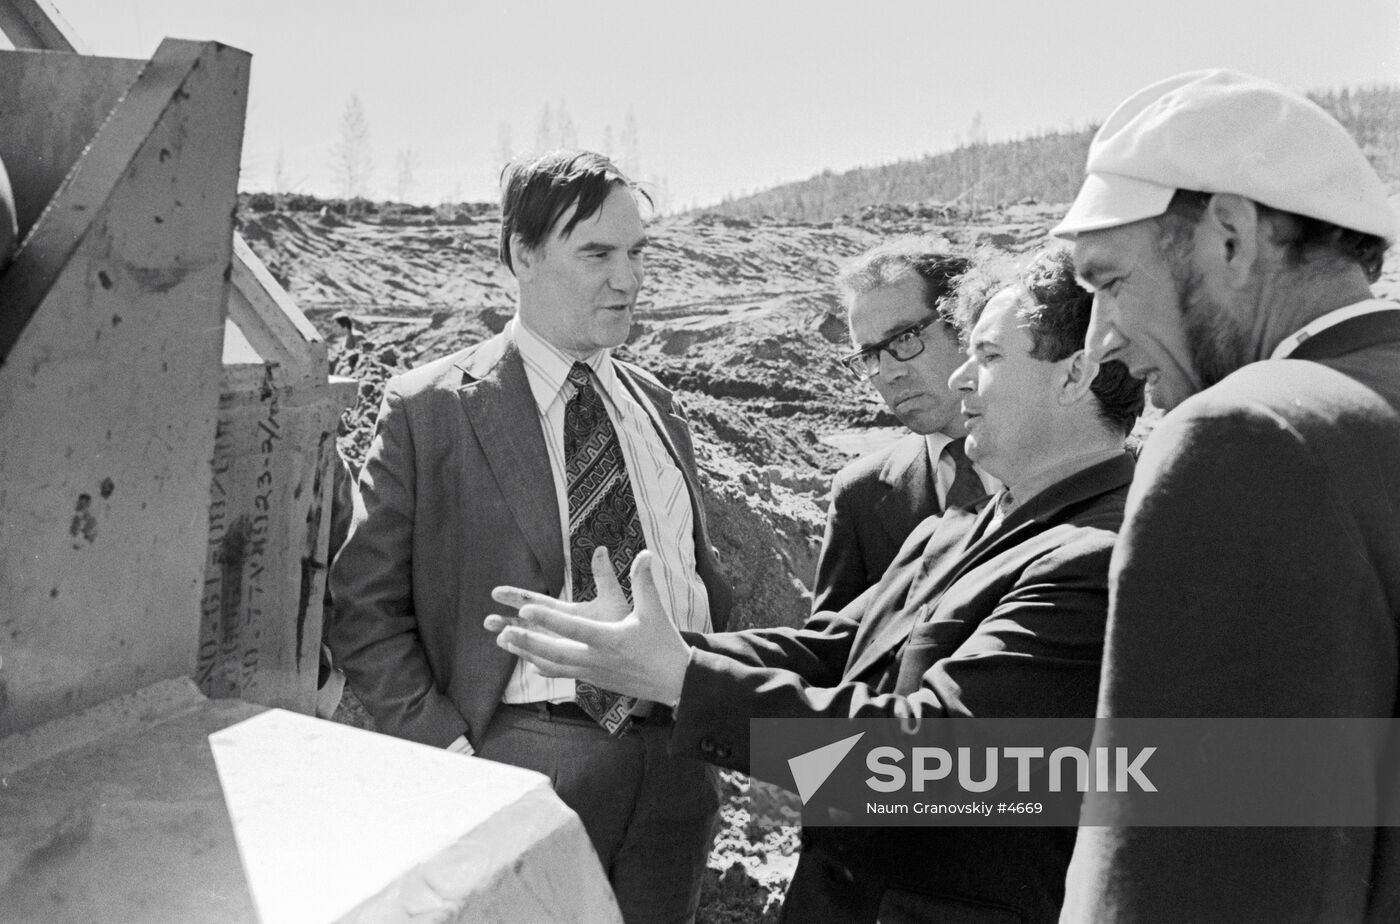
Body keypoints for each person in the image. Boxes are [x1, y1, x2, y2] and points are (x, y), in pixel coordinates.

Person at [487, 249, 1145, 923]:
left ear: (1074, 377)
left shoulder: (1095, 561)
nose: (963, 378)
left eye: (991, 357)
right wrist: (650, 655)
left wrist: (685, 682)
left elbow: (932, 764)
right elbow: (832, 651)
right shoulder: (966, 523)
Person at [329, 150, 732, 924]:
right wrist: (454, 762)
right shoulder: (431, 410)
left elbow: (696, 577)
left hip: (677, 768)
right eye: (598, 254)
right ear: (523, 254)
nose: (629, 279)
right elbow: (363, 611)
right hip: (523, 763)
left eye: (637, 252)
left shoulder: (657, 407)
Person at [1051, 69, 1400, 923]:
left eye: (1108, 283)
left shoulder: (1247, 441)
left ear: (1232, 238)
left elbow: (1189, 879)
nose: (1099, 346)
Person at [813, 242, 997, 613]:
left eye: (905, 338)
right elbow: (830, 651)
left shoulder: (1080, 460)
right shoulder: (859, 497)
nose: (888, 372)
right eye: (869, 355)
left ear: (964, 325)